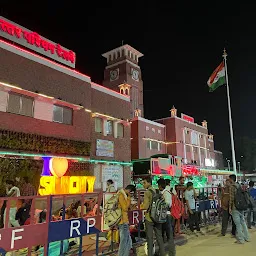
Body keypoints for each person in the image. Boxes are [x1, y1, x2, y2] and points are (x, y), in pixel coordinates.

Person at [140, 176, 165, 256]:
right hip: (158, 217)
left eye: (144, 183)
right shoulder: (158, 191)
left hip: (149, 218)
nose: (143, 185)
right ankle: (162, 253)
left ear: (149, 183)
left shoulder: (147, 192)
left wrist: (140, 205)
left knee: (150, 238)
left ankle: (150, 254)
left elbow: (146, 206)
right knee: (159, 236)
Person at [229, 174, 250, 244]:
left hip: (235, 207)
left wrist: (230, 207)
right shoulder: (239, 185)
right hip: (241, 207)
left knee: (238, 224)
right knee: (243, 223)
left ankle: (241, 240)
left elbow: (231, 198)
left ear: (231, 179)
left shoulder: (232, 187)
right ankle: (247, 237)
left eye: (229, 179)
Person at [158, 179, 176, 256]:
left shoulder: (166, 193)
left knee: (168, 235)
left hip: (166, 216)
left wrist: (161, 204)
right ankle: (164, 252)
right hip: (166, 215)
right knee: (165, 235)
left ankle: (170, 253)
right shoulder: (165, 192)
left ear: (160, 185)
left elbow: (168, 204)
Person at [117, 184, 136, 256]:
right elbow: (125, 208)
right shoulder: (121, 195)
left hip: (125, 220)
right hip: (123, 220)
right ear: (130, 191)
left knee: (127, 241)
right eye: (131, 193)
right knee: (123, 242)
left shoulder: (122, 194)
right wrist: (129, 198)